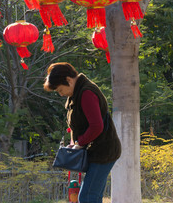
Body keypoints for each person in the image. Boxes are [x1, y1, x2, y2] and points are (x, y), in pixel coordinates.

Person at [44, 62, 121, 203]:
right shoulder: (76, 93)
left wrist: (80, 143)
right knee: (93, 197)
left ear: (68, 80)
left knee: (86, 197)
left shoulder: (86, 93)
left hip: (104, 152)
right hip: (97, 152)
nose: (61, 94)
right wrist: (74, 144)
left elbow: (96, 126)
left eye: (60, 90)